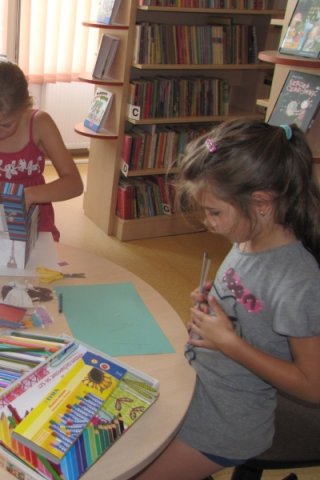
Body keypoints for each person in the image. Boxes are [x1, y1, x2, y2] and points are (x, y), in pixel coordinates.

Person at [135, 119, 320, 480]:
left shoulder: (299, 283)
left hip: (227, 422)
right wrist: (214, 307)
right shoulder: (248, 239)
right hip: (197, 383)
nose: (208, 222)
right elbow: (252, 308)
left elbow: (313, 386)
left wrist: (229, 343)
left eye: (215, 212)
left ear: (261, 203)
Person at [0, 60, 84, 242]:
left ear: (24, 107)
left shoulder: (40, 124)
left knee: (37, 259)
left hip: (33, 222)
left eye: (6, 125)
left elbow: (74, 184)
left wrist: (28, 196)